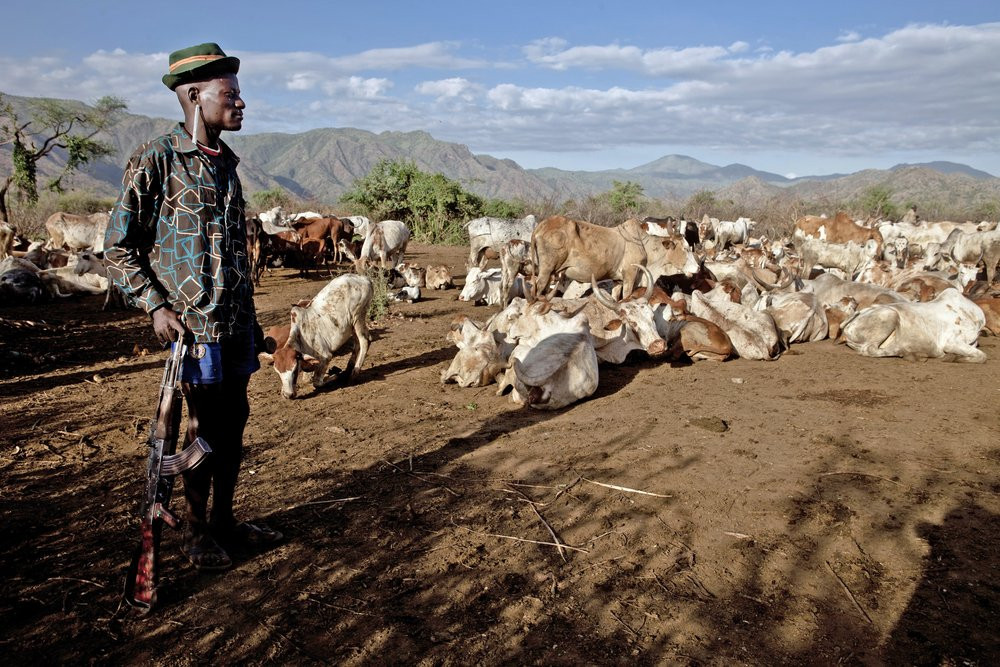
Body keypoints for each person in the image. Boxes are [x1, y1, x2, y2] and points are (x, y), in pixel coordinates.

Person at [105, 42, 281, 572]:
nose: (241, 103)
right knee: (201, 435)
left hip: (235, 326)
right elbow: (118, 245)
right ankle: (198, 532)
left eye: (239, 93)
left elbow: (229, 252)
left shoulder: (226, 164)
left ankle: (226, 521)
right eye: (230, 94)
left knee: (235, 425)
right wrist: (156, 307)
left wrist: (252, 323)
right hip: (194, 330)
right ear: (193, 95)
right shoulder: (158, 158)